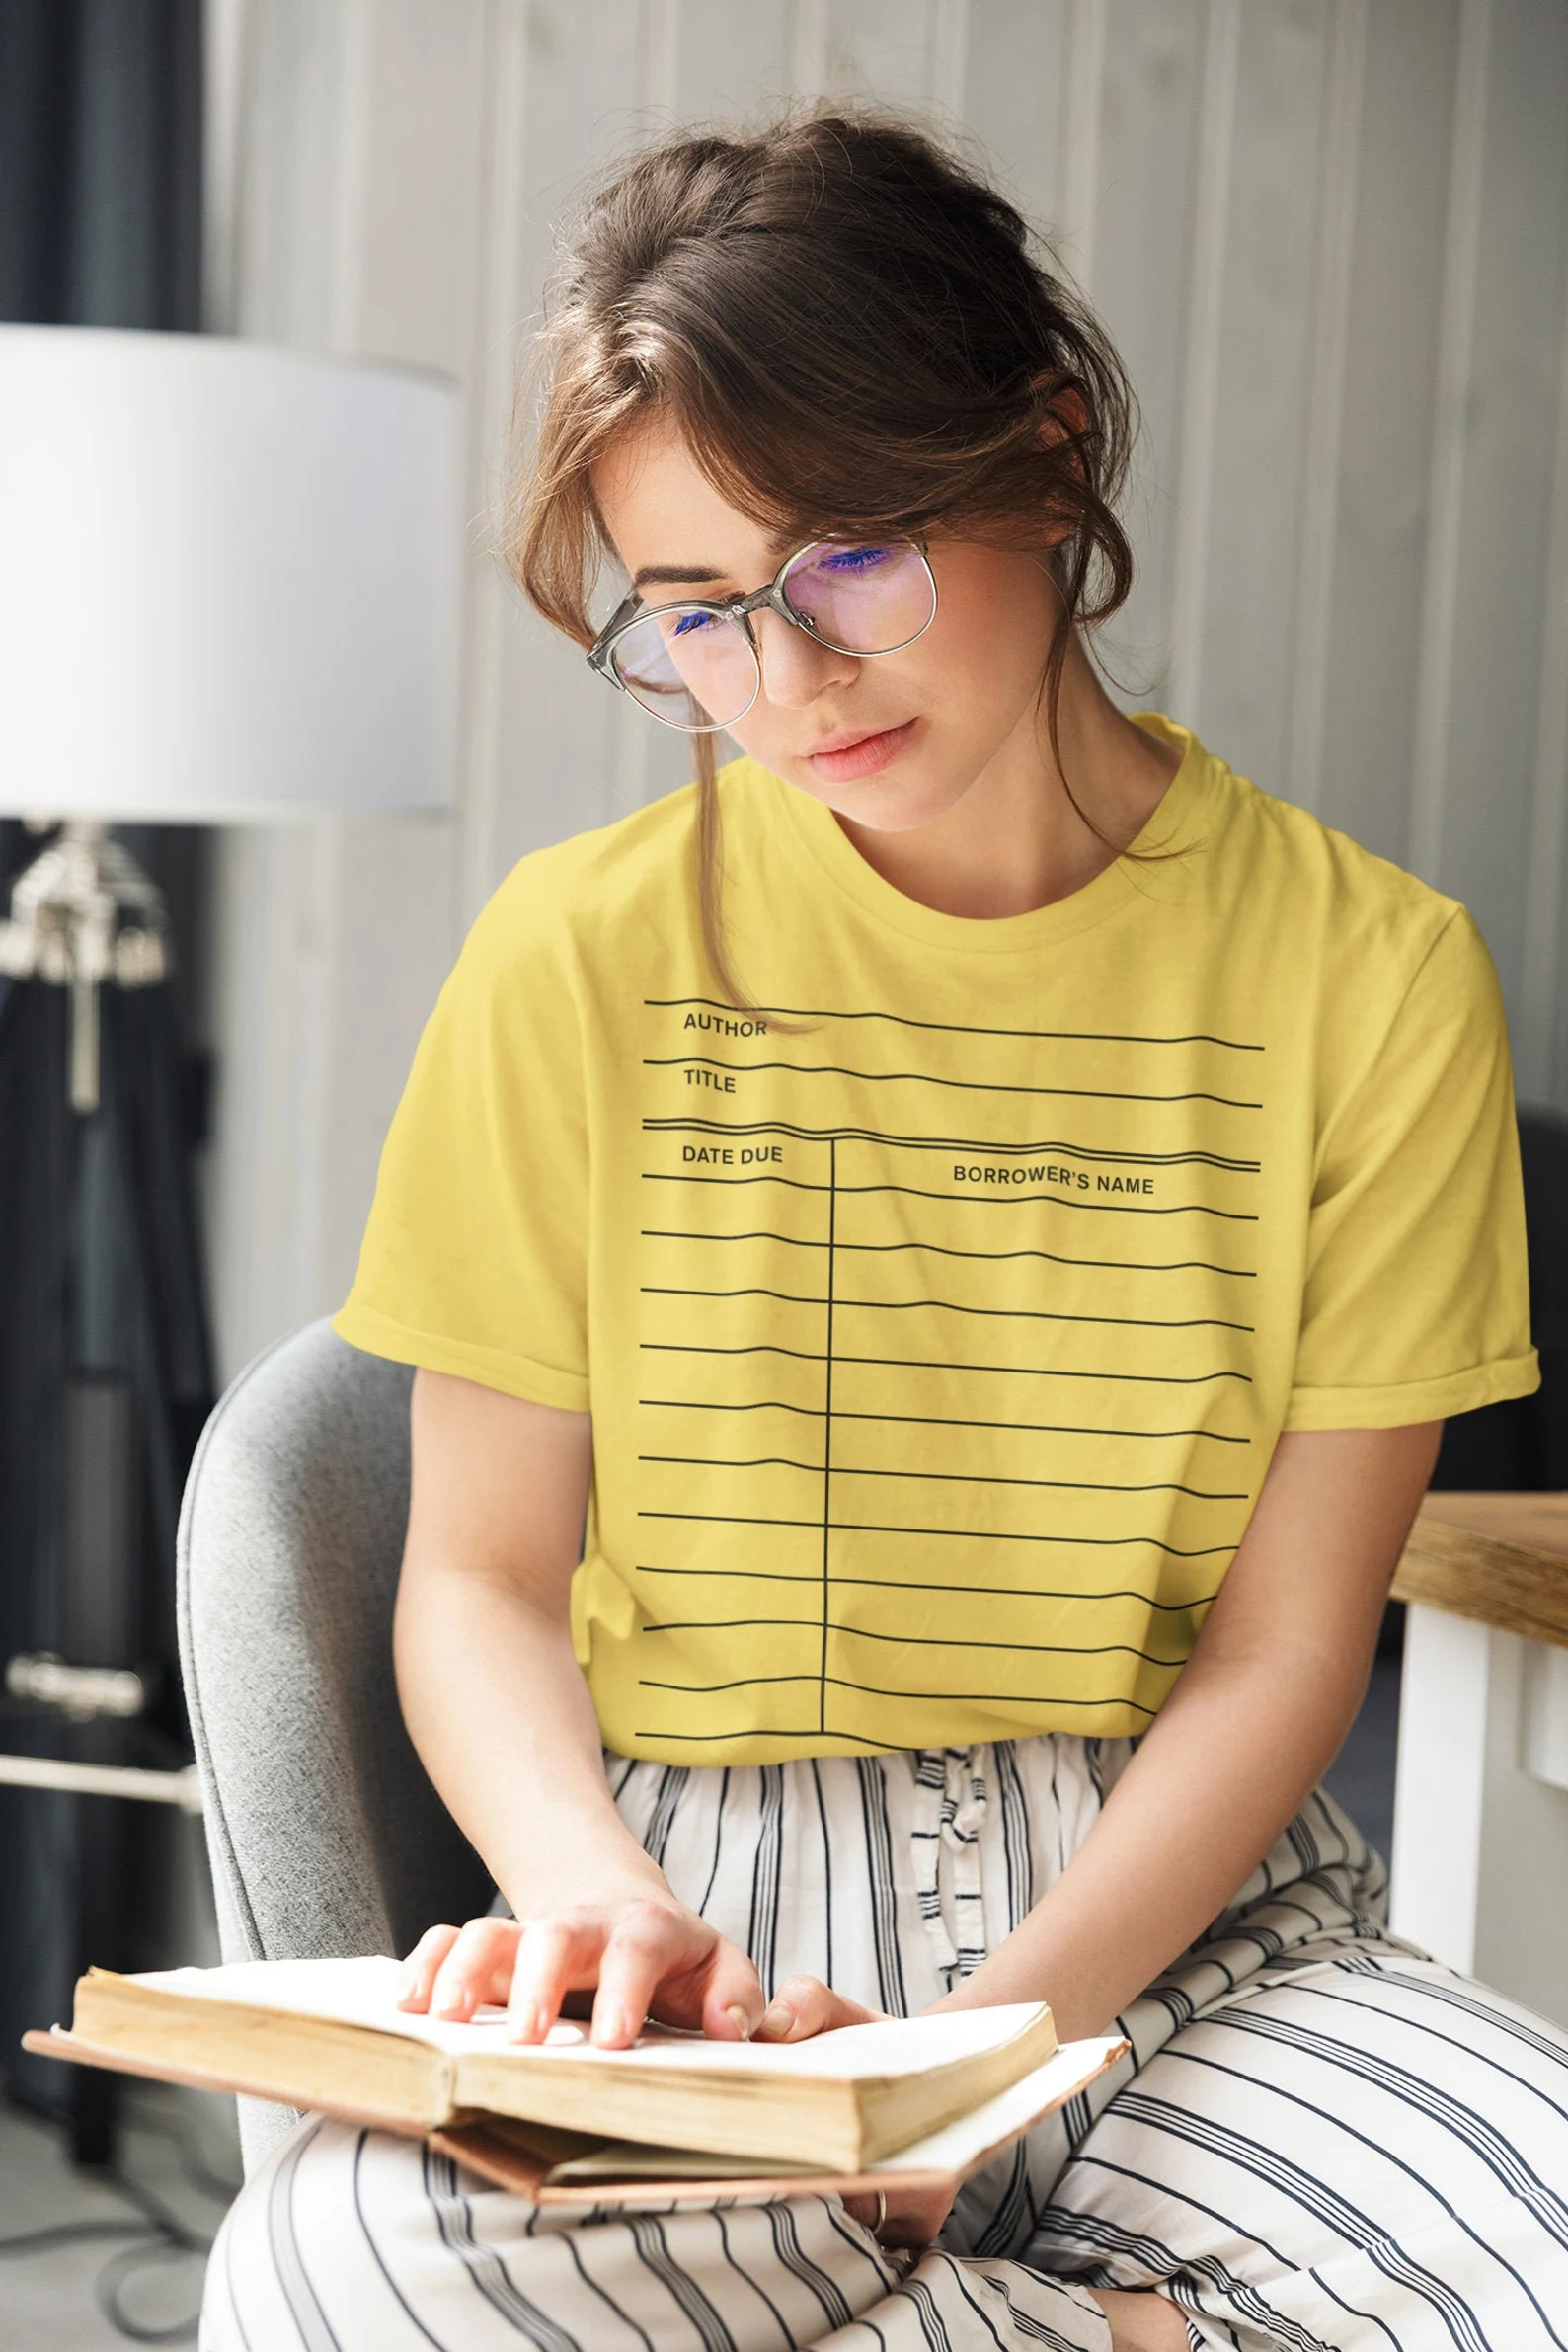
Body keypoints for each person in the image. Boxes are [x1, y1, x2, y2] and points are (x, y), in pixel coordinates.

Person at [201, 96, 1566, 2352]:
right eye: (699, 617)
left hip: (1190, 1943)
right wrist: (591, 1903)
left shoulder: (1373, 976)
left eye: (845, 561)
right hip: (704, 1925)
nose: (786, 683)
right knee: (332, 2291)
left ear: (1043, 452)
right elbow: (473, 1577)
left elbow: (1282, 1653)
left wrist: (972, 2071)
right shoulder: (573, 958)